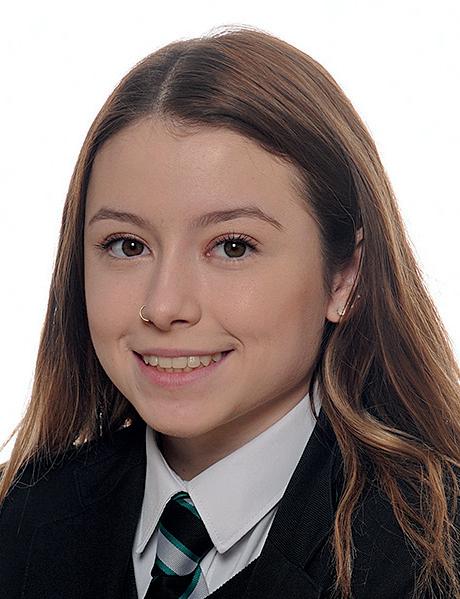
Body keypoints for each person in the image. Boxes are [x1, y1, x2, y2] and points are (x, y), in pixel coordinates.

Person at [1, 25, 459, 599]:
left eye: (233, 247)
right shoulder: (23, 518)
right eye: (127, 245)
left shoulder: (433, 557)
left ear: (345, 276)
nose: (164, 306)